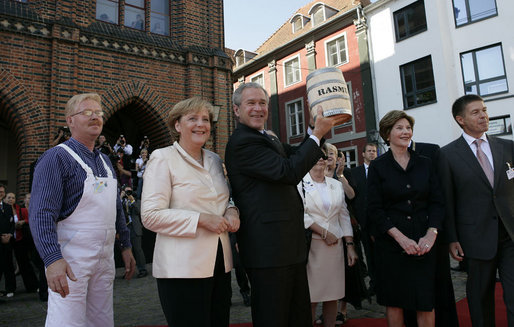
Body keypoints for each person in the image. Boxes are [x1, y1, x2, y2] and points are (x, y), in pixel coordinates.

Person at [224, 82, 333, 327]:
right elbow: (289, 171)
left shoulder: (265, 138)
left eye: (262, 103)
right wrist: (316, 135)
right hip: (267, 250)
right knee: (273, 317)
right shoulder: (243, 142)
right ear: (236, 109)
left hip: (287, 245)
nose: (258, 108)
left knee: (297, 316)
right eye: (250, 103)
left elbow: (298, 154)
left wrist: (315, 129)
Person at [29, 93, 136, 327]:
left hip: (105, 257)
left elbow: (115, 208)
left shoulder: (106, 162)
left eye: (98, 113)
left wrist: (125, 246)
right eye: (86, 113)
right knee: (66, 321)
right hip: (71, 259)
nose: (95, 117)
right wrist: (52, 259)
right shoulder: (55, 158)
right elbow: (41, 213)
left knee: (101, 320)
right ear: (70, 121)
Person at [141, 97, 240, 327]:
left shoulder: (214, 159)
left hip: (219, 264)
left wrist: (232, 210)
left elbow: (223, 198)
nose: (201, 124)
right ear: (177, 125)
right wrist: (201, 220)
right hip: (181, 269)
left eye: (205, 119)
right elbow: (150, 215)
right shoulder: (162, 158)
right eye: (192, 118)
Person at [438, 94, 514, 326]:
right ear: (461, 119)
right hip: (475, 238)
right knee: (481, 300)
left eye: (484, 110)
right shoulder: (448, 154)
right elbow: (447, 200)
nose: (483, 116)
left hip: (510, 234)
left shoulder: (508, 147)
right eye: (476, 112)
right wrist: (452, 238)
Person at [367, 110, 444, 327]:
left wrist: (431, 233)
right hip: (391, 245)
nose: (406, 132)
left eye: (408, 128)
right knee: (394, 302)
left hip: (423, 243)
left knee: (425, 301)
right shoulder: (378, 166)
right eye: (399, 128)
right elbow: (375, 209)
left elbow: (437, 202)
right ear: (387, 133)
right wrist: (400, 239)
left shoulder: (425, 163)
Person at [299, 151, 357, 327]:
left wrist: (350, 245)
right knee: (311, 296)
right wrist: (324, 233)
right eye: (315, 157)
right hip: (312, 246)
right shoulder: (299, 184)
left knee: (332, 294)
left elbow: (344, 215)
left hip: (335, 247)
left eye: (323, 157)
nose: (320, 160)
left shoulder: (335, 185)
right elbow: (299, 214)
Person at [351, 143, 378, 294]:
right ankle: (374, 284)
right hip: (363, 221)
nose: (372, 153)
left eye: (374, 151)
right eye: (369, 151)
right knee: (368, 253)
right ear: (363, 154)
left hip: (379, 221)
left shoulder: (382, 170)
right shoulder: (355, 172)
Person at [6, 192, 39, 293]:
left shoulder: (20, 209)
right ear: (5, 199)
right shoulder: (3, 210)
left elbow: (30, 219)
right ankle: (10, 289)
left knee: (24, 263)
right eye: (9, 197)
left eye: (13, 197)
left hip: (19, 239)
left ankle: (32, 286)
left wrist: (23, 222)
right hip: (7, 240)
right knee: (7, 265)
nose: (11, 199)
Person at [120, 185, 147, 278]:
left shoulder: (136, 201)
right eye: (126, 192)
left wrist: (132, 199)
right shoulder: (121, 201)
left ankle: (142, 269)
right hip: (125, 228)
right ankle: (128, 270)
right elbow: (116, 210)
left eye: (129, 192)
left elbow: (139, 211)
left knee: (138, 250)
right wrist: (120, 197)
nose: (128, 194)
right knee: (126, 251)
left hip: (134, 228)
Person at [0, 184, 16, 298]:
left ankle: (10, 289)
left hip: (8, 241)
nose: (0, 193)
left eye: (2, 191)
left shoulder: (8, 207)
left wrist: (10, 234)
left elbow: (12, 223)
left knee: (9, 266)